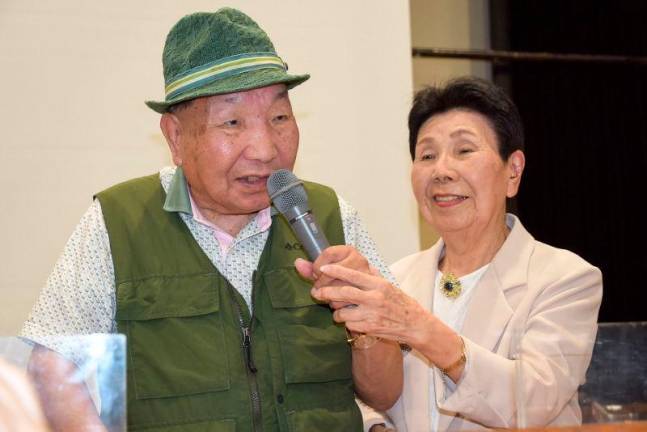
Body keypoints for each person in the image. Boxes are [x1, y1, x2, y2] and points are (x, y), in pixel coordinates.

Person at [21, 8, 401, 432]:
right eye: (232, 123)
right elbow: (51, 365)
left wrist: (367, 327)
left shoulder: (331, 216)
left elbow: (384, 394)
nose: (264, 148)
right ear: (176, 137)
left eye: (279, 118)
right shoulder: (117, 223)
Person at [309, 77, 603, 430]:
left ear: (513, 170)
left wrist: (420, 328)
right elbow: (362, 393)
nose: (441, 171)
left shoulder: (565, 278)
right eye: (427, 155)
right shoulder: (397, 279)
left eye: (464, 151)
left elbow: (533, 402)